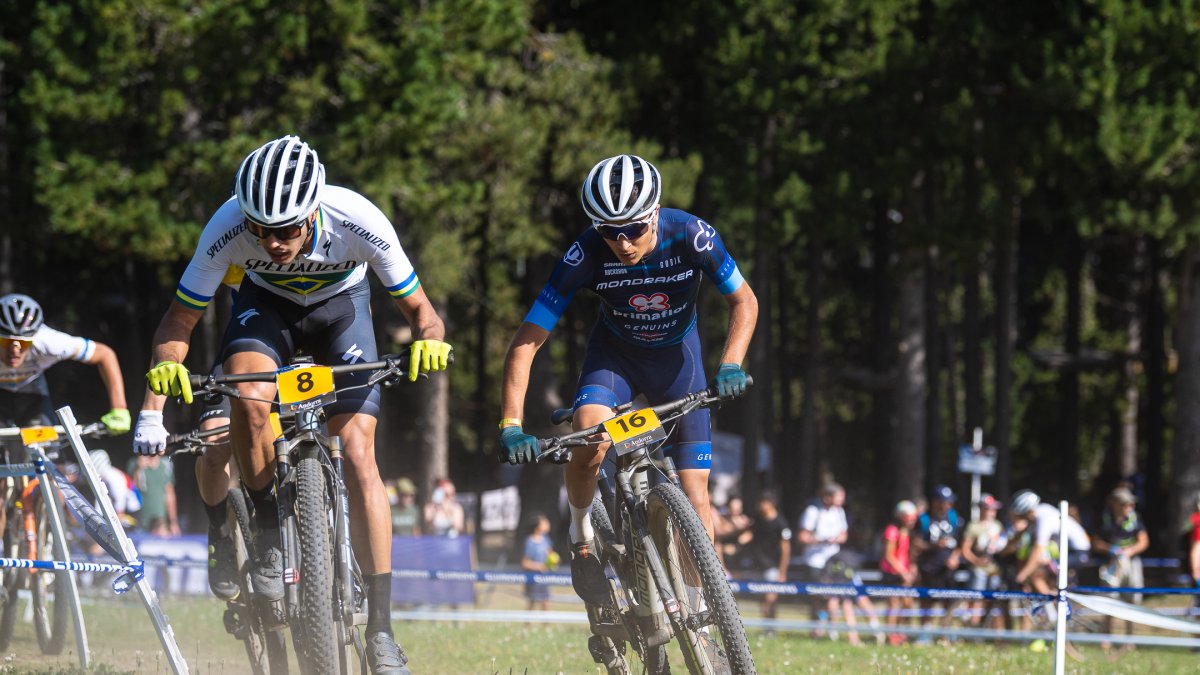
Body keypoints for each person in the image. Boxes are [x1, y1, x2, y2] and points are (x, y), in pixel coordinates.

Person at [131, 135, 451, 674]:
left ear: (313, 212)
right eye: (260, 230)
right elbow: (178, 319)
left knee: (358, 453)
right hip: (266, 310)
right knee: (249, 400)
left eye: (285, 230)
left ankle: (380, 628)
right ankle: (266, 532)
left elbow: (423, 311)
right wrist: (162, 375)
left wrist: (429, 341)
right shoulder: (227, 225)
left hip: (342, 311)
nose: (273, 242)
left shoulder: (357, 218)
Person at [496, 154, 758, 607]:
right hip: (615, 358)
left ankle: (704, 615)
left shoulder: (690, 234)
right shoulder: (585, 253)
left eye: (633, 229)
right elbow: (526, 342)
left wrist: (731, 362)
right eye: (608, 231)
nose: (622, 242)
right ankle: (581, 539)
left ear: (654, 214)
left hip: (678, 361)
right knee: (589, 436)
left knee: (696, 490)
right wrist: (510, 425)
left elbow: (745, 300)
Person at [0, 293, 130, 433]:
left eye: (24, 343)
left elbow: (104, 354)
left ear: (34, 337)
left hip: (32, 392)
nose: (14, 350)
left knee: (45, 441)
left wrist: (119, 409)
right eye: (6, 341)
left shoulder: (48, 342)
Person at [1093, 486, 1150, 648]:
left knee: (1132, 599)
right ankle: (1106, 639)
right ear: (1114, 503)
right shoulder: (1104, 519)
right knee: (1109, 599)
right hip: (1111, 564)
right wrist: (1110, 549)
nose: (1129, 507)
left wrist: (1129, 551)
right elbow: (1095, 543)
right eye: (1125, 504)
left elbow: (1144, 541)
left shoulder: (1135, 518)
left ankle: (1130, 640)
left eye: (1131, 503)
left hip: (1131, 563)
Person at [796, 483, 849, 631]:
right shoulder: (812, 511)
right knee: (817, 596)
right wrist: (822, 540)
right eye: (839, 496)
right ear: (827, 497)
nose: (842, 500)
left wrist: (837, 539)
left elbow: (844, 534)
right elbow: (802, 536)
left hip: (833, 559)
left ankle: (832, 629)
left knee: (833, 595)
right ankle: (816, 628)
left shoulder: (839, 512)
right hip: (815, 561)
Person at [913, 485, 962, 642]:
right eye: (944, 501)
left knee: (949, 602)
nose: (947, 505)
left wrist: (955, 557)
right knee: (927, 601)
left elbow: (962, 542)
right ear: (935, 502)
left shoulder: (953, 518)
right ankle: (925, 633)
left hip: (947, 569)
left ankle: (945, 633)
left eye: (949, 502)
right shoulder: (924, 519)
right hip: (929, 567)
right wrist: (933, 546)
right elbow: (916, 543)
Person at [959, 493, 1006, 630]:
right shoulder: (973, 526)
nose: (992, 512)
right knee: (976, 599)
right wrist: (977, 561)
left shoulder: (998, 525)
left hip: (994, 569)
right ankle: (974, 628)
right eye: (989, 509)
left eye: (994, 509)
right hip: (978, 570)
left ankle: (990, 629)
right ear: (982, 509)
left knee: (994, 600)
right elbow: (965, 550)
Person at [749, 491, 792, 621]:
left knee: (770, 598)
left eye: (762, 502)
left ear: (771, 503)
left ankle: (770, 627)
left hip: (773, 566)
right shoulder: (758, 520)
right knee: (763, 599)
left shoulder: (780, 523)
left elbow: (786, 549)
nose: (759, 505)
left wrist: (782, 572)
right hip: (758, 565)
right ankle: (766, 627)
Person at [880, 500, 918, 646]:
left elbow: (907, 553)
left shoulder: (907, 531)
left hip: (904, 572)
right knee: (893, 606)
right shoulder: (892, 530)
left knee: (907, 604)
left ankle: (902, 634)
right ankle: (891, 637)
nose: (912, 521)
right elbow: (889, 555)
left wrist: (912, 568)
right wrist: (903, 572)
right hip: (892, 573)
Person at [128, 454, 180, 537]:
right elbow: (132, 491)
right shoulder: (134, 463)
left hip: (160, 525)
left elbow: (169, 494)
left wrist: (173, 522)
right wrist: (138, 469)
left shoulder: (166, 463)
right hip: (140, 523)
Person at [521, 513, 558, 611]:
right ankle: (527, 620)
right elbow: (525, 563)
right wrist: (539, 566)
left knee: (545, 601)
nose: (547, 524)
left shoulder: (546, 540)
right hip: (533, 578)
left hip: (544, 577)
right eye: (544, 523)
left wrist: (554, 561)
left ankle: (547, 621)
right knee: (532, 602)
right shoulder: (530, 542)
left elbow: (550, 554)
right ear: (537, 527)